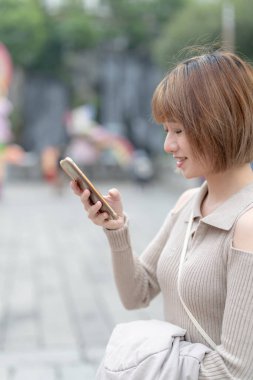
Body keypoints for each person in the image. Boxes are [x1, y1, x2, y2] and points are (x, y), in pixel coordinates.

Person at [70, 50, 253, 379]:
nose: (168, 145)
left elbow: (236, 371)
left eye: (179, 131)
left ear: (220, 123)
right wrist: (116, 229)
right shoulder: (188, 202)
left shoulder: (248, 224)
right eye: (167, 130)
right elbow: (136, 294)